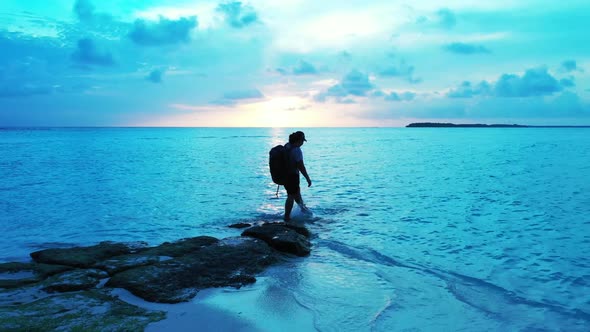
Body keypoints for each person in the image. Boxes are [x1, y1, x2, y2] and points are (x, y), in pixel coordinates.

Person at [283, 131, 312, 222]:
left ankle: (303, 210)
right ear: (298, 140)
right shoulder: (296, 150)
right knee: (291, 196)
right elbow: (301, 166)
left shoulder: (287, 146)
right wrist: (307, 178)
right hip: (292, 176)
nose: (303, 143)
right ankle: (287, 217)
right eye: (302, 141)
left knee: (296, 193)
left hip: (285, 175)